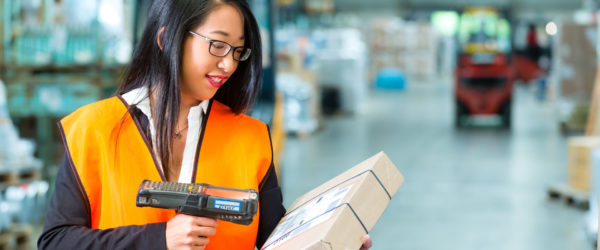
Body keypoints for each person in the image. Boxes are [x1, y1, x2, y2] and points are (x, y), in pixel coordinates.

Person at [38, 0, 372, 249]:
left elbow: (275, 239)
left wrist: (333, 241)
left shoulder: (249, 137)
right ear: (168, 39)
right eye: (218, 44)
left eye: (238, 51)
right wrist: (159, 239)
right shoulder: (94, 129)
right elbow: (56, 241)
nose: (228, 64)